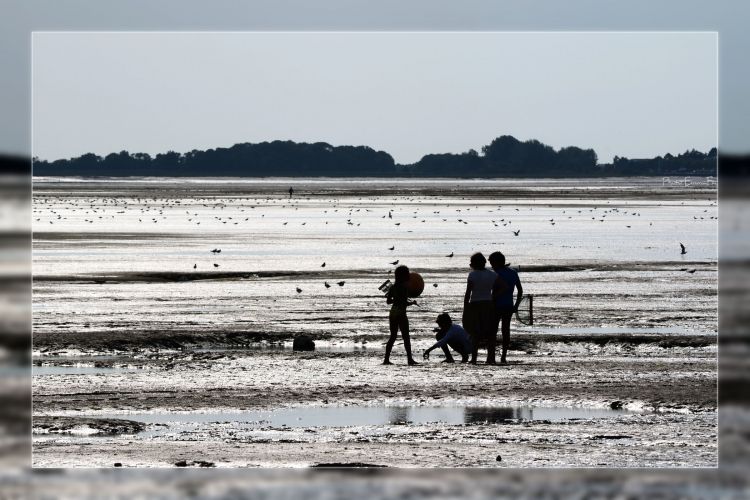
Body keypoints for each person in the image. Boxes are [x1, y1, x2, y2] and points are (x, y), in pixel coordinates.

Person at [463, 252, 505, 364]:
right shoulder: (492, 275)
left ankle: (474, 359)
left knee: (475, 332)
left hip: (475, 304)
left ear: (474, 263)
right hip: (488, 304)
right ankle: (490, 359)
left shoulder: (472, 275)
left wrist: (465, 307)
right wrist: (492, 296)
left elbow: (468, 293)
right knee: (490, 333)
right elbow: (503, 287)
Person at [489, 251, 523, 365]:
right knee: (505, 331)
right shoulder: (513, 272)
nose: (491, 265)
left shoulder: (495, 273)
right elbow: (520, 290)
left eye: (491, 262)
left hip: (496, 306)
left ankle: (492, 356)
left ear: (497, 262)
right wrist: (516, 305)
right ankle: (503, 356)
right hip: (509, 306)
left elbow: (490, 291)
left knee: (493, 331)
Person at [383, 265, 418, 365]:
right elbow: (403, 303)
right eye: (407, 273)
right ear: (404, 276)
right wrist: (412, 303)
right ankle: (410, 359)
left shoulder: (392, 287)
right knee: (406, 337)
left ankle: (386, 359)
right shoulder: (405, 287)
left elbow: (388, 301)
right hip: (401, 314)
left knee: (393, 336)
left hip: (393, 313)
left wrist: (396, 299)